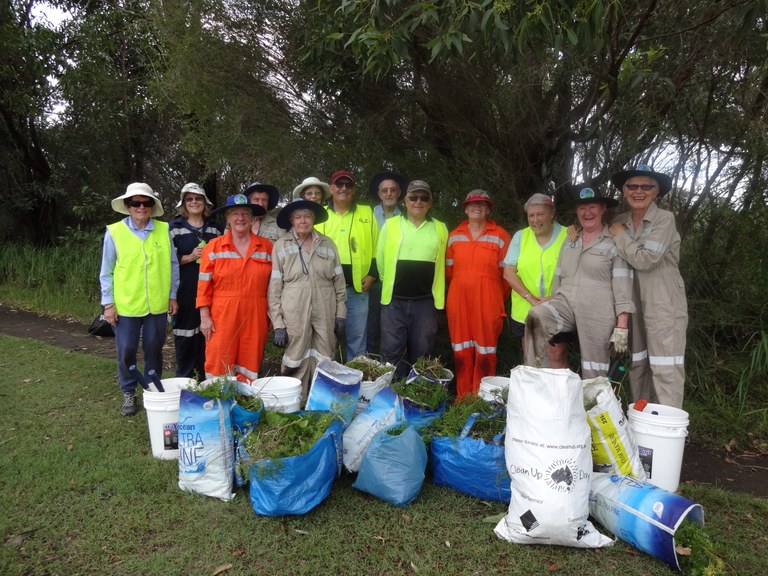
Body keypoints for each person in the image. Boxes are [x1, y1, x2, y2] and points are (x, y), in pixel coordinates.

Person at [524, 187, 634, 379]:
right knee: (537, 316)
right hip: (565, 304)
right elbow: (559, 275)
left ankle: (593, 406)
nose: (587, 213)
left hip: (598, 311)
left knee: (595, 369)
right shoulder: (570, 240)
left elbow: (622, 284)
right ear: (576, 211)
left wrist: (622, 324)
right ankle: (537, 381)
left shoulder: (614, 241)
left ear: (602, 209)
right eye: (582, 208)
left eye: (592, 207)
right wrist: (552, 298)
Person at [608, 165, 687, 408]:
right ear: (624, 190)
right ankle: (642, 422)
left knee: (666, 366)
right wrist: (575, 229)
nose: (638, 191)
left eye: (646, 186)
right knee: (638, 364)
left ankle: (668, 430)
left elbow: (645, 260)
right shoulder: (619, 221)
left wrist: (620, 235)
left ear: (656, 191)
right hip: (633, 304)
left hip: (664, 302)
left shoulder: (664, 219)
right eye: (633, 186)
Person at [99, 182, 180, 416]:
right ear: (128, 205)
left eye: (146, 203)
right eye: (136, 202)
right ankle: (128, 391)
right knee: (126, 349)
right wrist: (108, 304)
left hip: (157, 304)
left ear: (152, 206)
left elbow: (173, 266)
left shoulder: (163, 230)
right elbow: (107, 270)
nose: (141, 207)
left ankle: (153, 390)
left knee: (154, 348)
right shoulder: (114, 232)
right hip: (126, 304)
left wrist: (172, 296)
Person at [268, 199, 347, 399]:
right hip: (294, 309)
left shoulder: (328, 243)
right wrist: (277, 323)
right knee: (296, 356)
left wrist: (341, 314)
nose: (303, 221)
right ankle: (296, 401)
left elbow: (339, 282)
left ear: (313, 219)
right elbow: (275, 287)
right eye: (298, 217)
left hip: (325, 308)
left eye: (307, 216)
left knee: (325, 354)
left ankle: (322, 401)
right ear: (291, 221)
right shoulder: (281, 245)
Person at [377, 180, 448, 378]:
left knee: (423, 353)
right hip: (394, 302)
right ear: (406, 201)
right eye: (414, 197)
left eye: (424, 198)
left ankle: (417, 398)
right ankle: (392, 396)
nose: (418, 201)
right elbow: (381, 260)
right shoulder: (390, 225)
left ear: (430, 202)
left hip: (426, 302)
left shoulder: (440, 229)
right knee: (392, 353)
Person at [197, 194, 272, 381]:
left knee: (251, 359)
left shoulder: (267, 247)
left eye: (246, 213)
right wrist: (204, 317)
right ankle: (218, 400)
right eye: (235, 213)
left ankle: (245, 401)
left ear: (253, 218)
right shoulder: (213, 247)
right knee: (219, 356)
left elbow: (275, 285)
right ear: (228, 218)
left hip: (256, 311)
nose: (241, 218)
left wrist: (272, 314)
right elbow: (203, 285)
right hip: (222, 312)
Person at [446, 190, 512, 397]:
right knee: (461, 351)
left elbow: (508, 275)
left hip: (489, 302)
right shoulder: (454, 236)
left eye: (482, 204)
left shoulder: (500, 235)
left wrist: (492, 297)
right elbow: (449, 272)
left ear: (488, 209)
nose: (477, 207)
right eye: (472, 204)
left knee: (485, 352)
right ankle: (464, 399)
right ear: (465, 209)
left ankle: (483, 400)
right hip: (459, 301)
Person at [314, 170, 378, 361]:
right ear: (331, 188)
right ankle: (327, 383)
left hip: (357, 288)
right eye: (339, 185)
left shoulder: (367, 212)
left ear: (354, 190)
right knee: (326, 340)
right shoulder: (319, 215)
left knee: (357, 339)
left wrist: (373, 274)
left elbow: (377, 246)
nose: (343, 188)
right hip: (326, 289)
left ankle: (356, 384)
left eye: (348, 185)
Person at [503, 193, 569, 366]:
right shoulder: (521, 236)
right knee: (531, 357)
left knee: (557, 355)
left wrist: (554, 298)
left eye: (540, 214)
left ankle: (560, 392)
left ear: (552, 214)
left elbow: (575, 273)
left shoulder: (567, 235)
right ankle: (535, 392)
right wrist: (530, 298)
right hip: (524, 308)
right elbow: (508, 272)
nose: (535, 220)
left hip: (556, 306)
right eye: (531, 215)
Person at [169, 183, 223, 379]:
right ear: (183, 204)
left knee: (208, 336)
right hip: (185, 290)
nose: (194, 202)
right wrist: (190, 257)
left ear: (205, 202)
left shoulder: (216, 228)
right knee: (185, 338)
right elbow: (168, 263)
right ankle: (184, 382)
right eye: (189, 199)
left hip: (212, 293)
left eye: (198, 198)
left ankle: (206, 381)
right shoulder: (174, 228)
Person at [367, 170, 407, 355]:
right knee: (370, 323)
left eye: (393, 190)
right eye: (385, 190)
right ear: (379, 193)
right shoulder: (368, 216)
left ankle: (390, 364)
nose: (389, 194)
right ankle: (369, 362)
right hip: (371, 277)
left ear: (399, 193)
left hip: (397, 279)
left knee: (393, 326)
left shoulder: (406, 218)